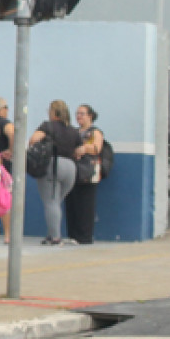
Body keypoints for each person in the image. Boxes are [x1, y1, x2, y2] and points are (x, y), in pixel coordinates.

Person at [28, 100, 83, 245]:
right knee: (56, 202)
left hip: (53, 165)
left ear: (53, 112)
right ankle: (51, 233)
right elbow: (79, 151)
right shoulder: (73, 130)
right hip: (71, 167)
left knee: (51, 202)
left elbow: (34, 139)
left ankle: (55, 237)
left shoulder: (47, 126)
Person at [68, 104, 106, 245]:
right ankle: (73, 233)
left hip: (89, 172)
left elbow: (96, 148)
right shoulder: (74, 131)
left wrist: (84, 148)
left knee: (86, 204)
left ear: (90, 116)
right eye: (77, 113)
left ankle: (85, 235)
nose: (79, 116)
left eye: (82, 114)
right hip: (74, 170)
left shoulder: (95, 132)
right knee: (73, 202)